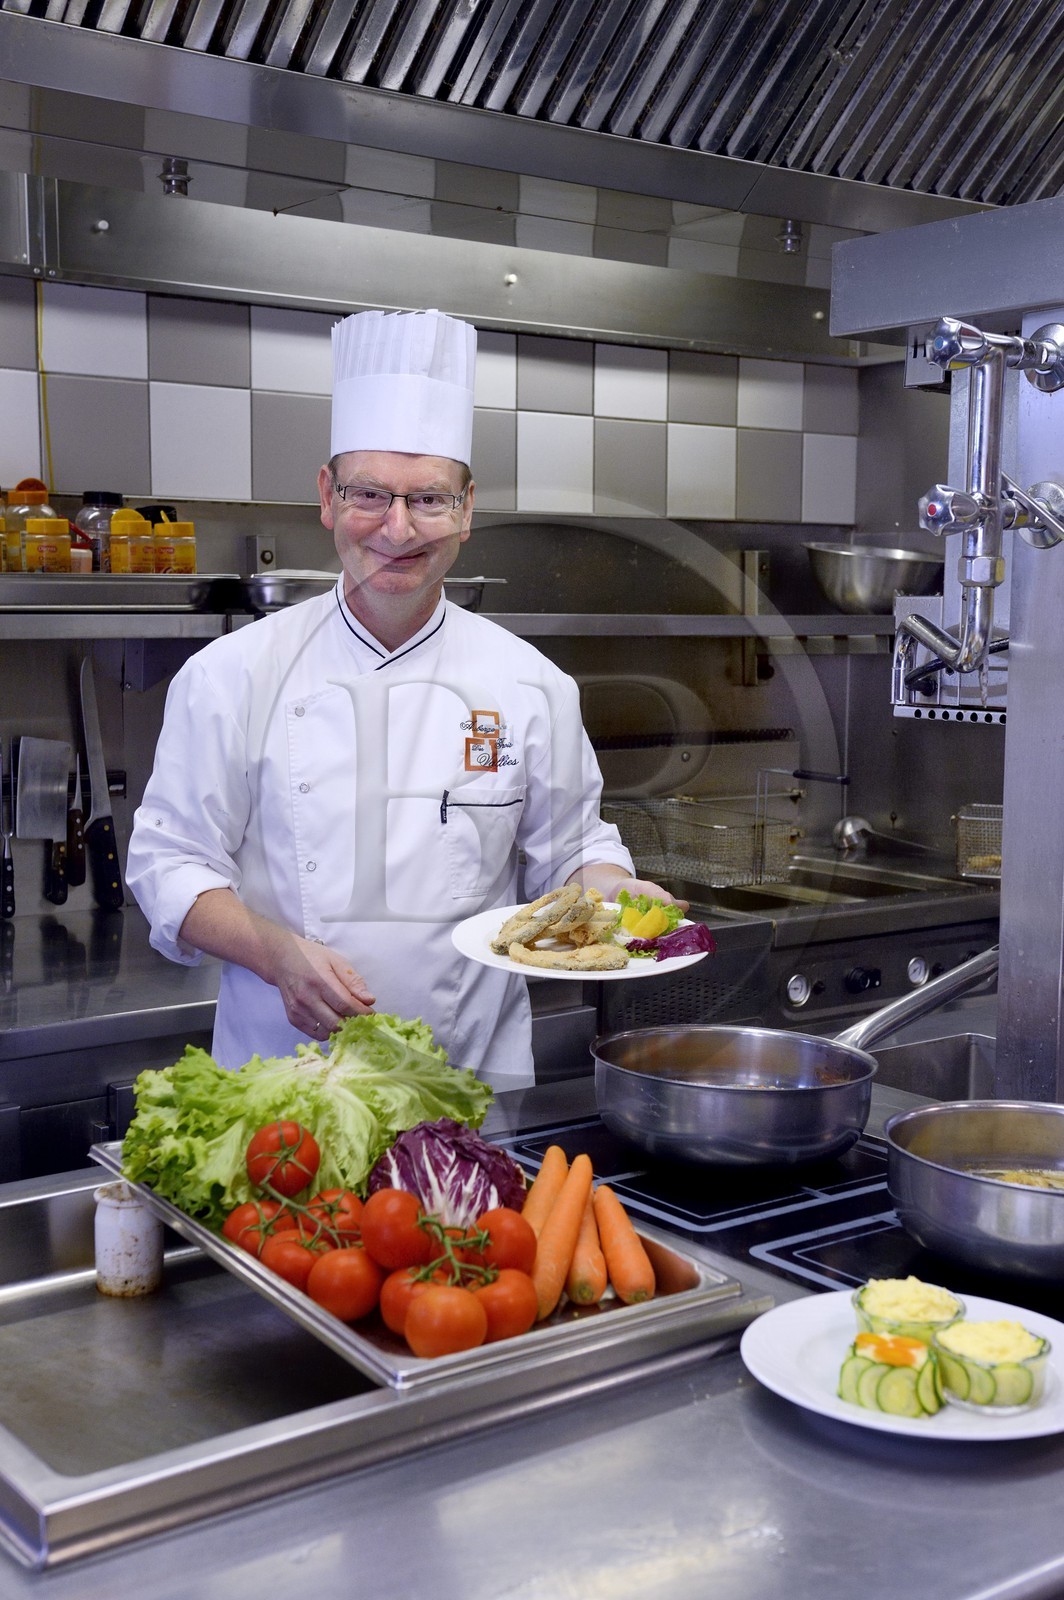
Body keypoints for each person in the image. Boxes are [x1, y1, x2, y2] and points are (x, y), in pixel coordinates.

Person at [126, 308, 678, 1089]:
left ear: (467, 509)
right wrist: (274, 953)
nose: (397, 529)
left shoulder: (531, 685)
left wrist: (617, 894)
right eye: (370, 494)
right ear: (327, 496)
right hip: (284, 1092)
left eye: (428, 500)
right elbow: (169, 864)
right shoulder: (232, 676)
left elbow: (571, 853)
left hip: (469, 1087)